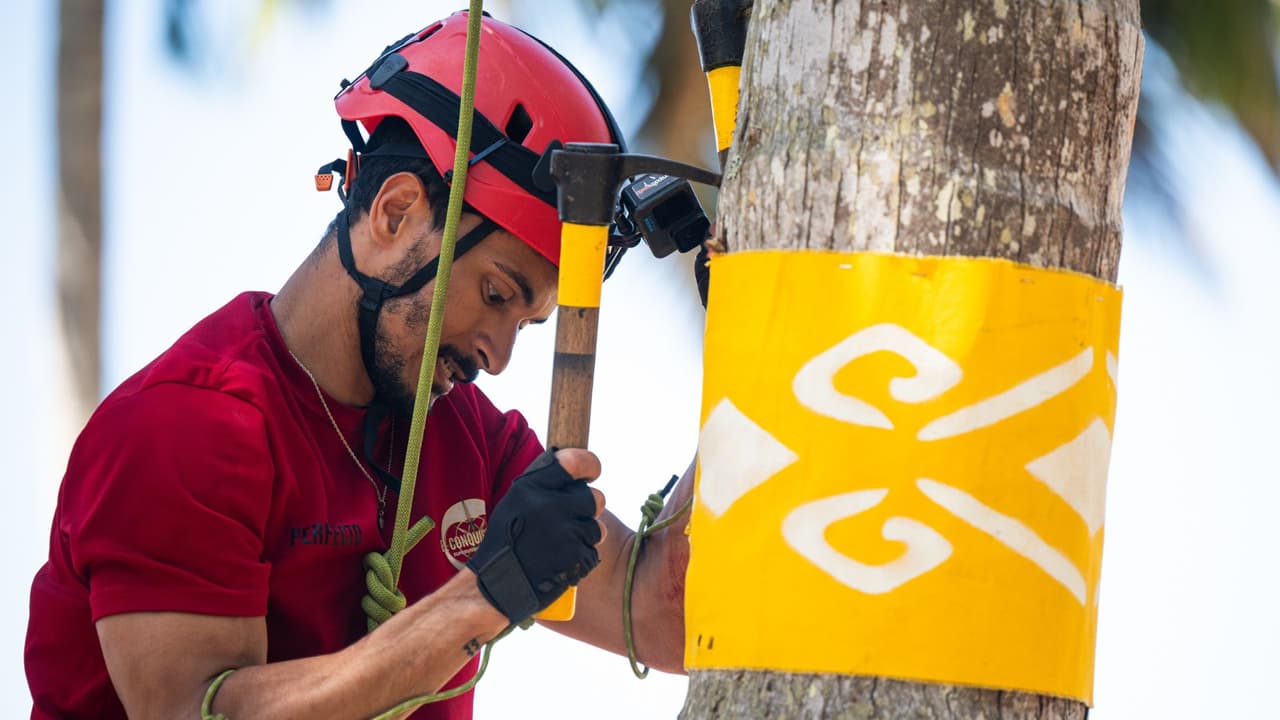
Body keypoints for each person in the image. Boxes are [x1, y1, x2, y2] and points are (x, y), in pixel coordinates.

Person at [25, 12, 692, 719]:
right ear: (395, 213)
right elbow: (199, 711)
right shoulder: (184, 427)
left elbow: (663, 618)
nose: (496, 357)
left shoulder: (467, 438)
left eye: (524, 323)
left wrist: (753, 322)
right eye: (495, 294)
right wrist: (484, 594)